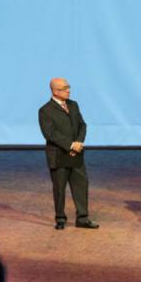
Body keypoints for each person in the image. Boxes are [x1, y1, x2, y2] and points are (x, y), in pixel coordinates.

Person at [38, 78, 98, 230]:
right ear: (55, 91)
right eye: (65, 88)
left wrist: (78, 142)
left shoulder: (73, 105)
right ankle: (60, 218)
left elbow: (82, 125)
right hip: (59, 155)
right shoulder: (45, 110)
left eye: (68, 87)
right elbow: (50, 134)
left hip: (76, 154)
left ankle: (83, 218)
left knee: (81, 185)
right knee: (59, 188)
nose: (68, 90)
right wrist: (70, 145)